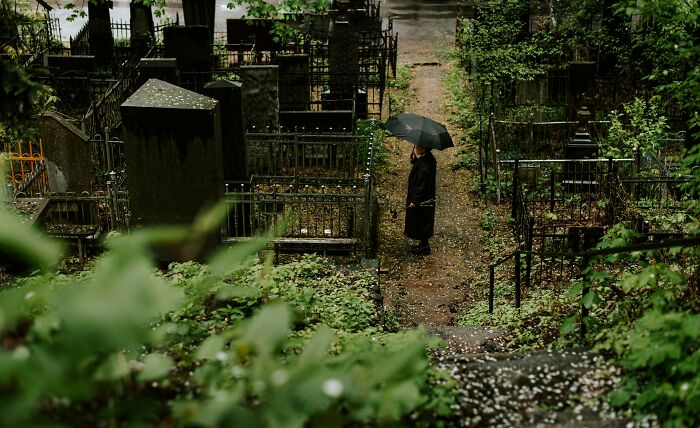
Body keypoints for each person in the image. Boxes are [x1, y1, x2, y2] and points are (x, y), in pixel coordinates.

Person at [404, 144, 436, 255]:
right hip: (425, 197)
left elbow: (422, 184)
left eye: (418, 147)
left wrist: (415, 200)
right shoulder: (427, 158)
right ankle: (423, 244)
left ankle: (424, 246)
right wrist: (415, 161)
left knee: (422, 221)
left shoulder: (426, 163)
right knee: (422, 220)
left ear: (424, 148)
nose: (416, 148)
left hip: (423, 198)